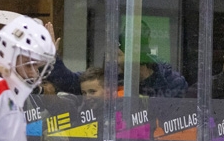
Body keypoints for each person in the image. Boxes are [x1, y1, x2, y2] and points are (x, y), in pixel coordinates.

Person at [47, 22, 187, 98]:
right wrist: (51, 59)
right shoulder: (111, 77)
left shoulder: (172, 83)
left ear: (135, 55)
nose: (113, 60)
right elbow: (69, 81)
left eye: (118, 55)